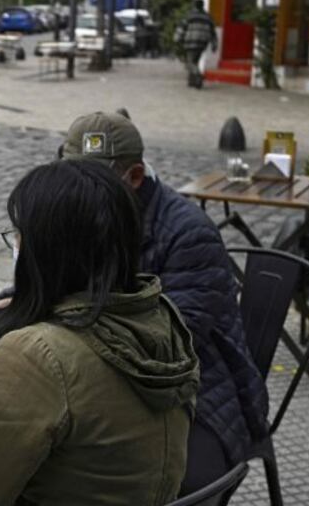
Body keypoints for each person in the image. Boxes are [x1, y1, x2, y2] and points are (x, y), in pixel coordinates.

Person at [0, 160, 199, 505]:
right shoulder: (161, 318)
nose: (16, 245)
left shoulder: (35, 355)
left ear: (48, 250)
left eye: (20, 235)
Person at [55, 111, 269, 494]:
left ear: (134, 177)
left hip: (197, 394)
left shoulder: (187, 231)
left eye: (92, 181)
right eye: (72, 176)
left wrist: (70, 319)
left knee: (98, 480)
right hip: (111, 383)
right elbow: (49, 282)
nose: (77, 190)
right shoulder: (84, 213)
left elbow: (170, 337)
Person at [175, 0, 217, 89]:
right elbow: (213, 31)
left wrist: (177, 38)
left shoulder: (189, 15)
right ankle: (192, 81)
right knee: (196, 61)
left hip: (191, 41)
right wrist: (214, 44)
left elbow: (182, 28)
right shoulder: (208, 17)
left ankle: (198, 75)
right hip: (203, 43)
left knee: (190, 62)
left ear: (194, 4)